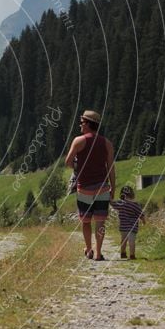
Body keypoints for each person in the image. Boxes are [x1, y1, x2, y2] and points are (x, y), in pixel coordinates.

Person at [64, 110, 115, 261]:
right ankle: (99, 253)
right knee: (100, 221)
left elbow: (67, 162)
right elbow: (111, 167)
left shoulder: (78, 141)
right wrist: (114, 187)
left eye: (81, 122)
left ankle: (89, 250)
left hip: (84, 187)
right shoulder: (107, 143)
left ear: (87, 124)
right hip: (103, 187)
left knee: (86, 221)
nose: (80, 125)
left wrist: (78, 165)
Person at [111, 186, 146, 259]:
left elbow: (113, 204)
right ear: (132, 194)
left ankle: (123, 253)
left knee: (123, 241)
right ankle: (132, 255)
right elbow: (141, 214)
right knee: (131, 241)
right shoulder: (135, 205)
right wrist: (143, 221)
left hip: (123, 227)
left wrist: (109, 198)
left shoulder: (120, 203)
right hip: (132, 227)